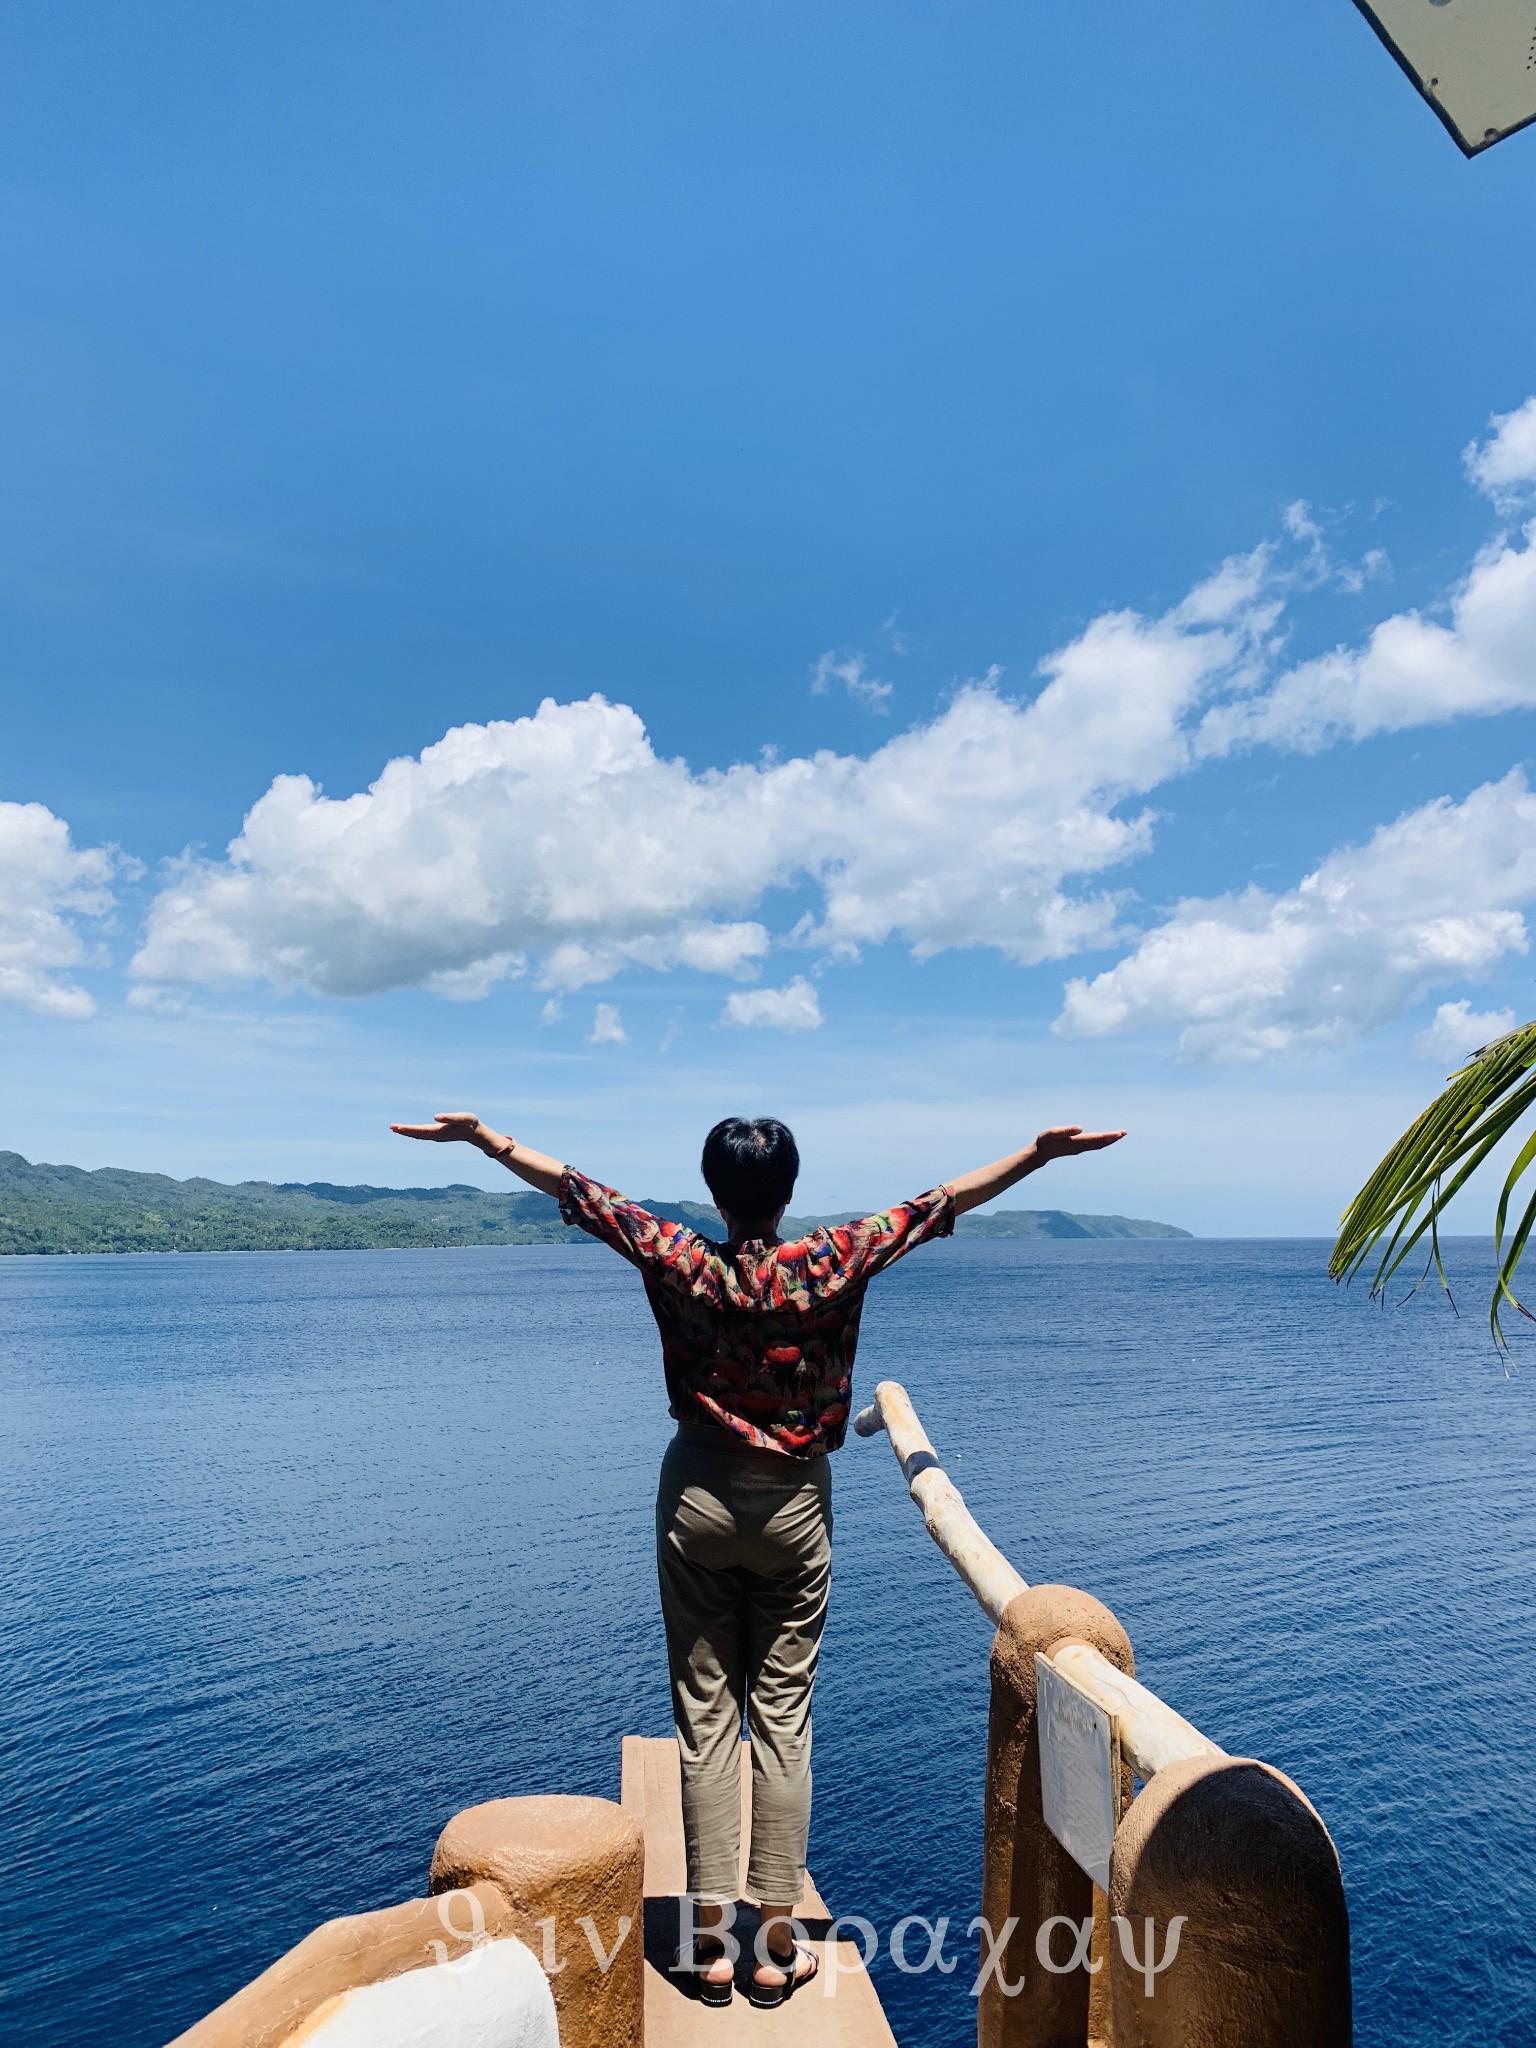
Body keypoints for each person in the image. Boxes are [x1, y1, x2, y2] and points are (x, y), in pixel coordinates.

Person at [391, 1107, 1124, 2006]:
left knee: (706, 1720)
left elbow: (580, 1192)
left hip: (697, 1495)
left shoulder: (679, 1255)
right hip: (794, 1505)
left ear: (713, 1191)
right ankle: (774, 1945)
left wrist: (485, 1141)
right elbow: (942, 1202)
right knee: (783, 1719)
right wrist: (1039, 1155)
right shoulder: (834, 1257)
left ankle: (709, 1945)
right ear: (787, 1192)